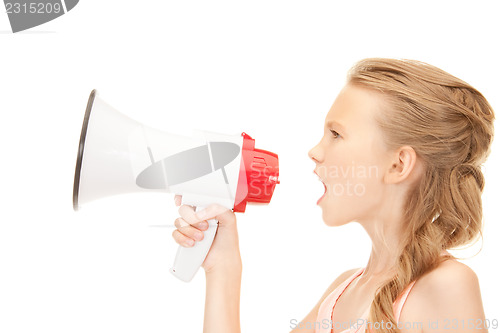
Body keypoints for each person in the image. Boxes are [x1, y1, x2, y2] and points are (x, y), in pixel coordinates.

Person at [171, 58, 495, 333]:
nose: (315, 151)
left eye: (336, 134)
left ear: (398, 164)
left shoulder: (447, 285)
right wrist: (223, 266)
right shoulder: (342, 292)